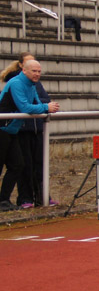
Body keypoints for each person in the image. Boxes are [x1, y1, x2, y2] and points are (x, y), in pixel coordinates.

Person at [0, 57, 61, 208]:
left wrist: (46, 107)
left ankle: (3, 200)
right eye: (34, 71)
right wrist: (46, 107)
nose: (37, 74)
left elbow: (37, 103)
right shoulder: (16, 83)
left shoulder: (32, 85)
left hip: (12, 130)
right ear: (24, 70)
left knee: (17, 165)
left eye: (39, 71)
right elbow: (25, 107)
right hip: (2, 129)